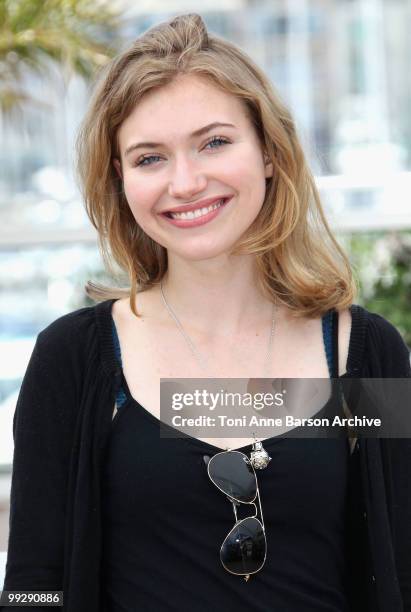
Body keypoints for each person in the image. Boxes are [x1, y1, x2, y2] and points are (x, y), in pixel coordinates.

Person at [1, 13, 410, 612]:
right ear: (120, 180)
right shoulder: (74, 359)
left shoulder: (364, 352)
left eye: (214, 142)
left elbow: (402, 558)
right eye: (149, 158)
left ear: (270, 152)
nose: (186, 182)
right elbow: (33, 584)